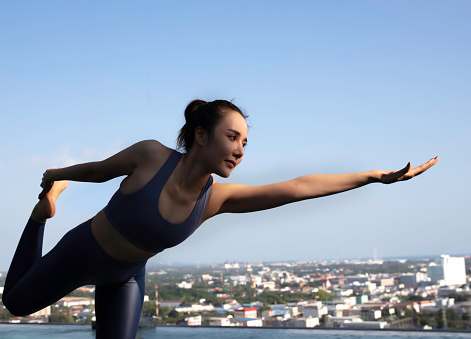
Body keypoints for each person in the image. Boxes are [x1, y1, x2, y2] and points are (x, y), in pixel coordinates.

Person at [2, 99, 438, 338]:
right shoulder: (152, 156)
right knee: (16, 304)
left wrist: (374, 177)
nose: (240, 149)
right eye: (232, 137)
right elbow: (98, 171)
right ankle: (40, 217)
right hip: (84, 252)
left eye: (246, 142)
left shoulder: (216, 200)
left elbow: (298, 187)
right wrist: (59, 176)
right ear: (200, 135)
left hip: (127, 277)